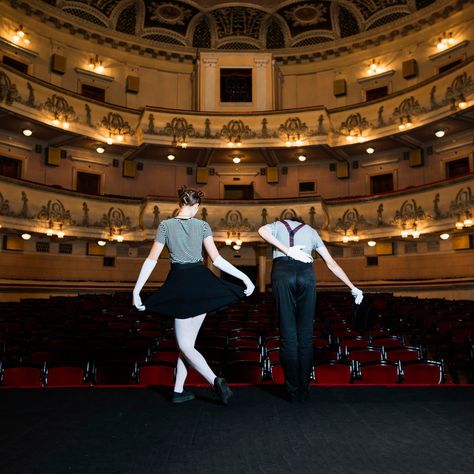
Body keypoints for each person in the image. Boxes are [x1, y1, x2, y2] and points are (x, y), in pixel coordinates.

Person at [133, 187, 255, 404]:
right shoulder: (203, 225)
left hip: (180, 283)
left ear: (180, 203)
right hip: (201, 282)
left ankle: (215, 380)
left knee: (185, 345)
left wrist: (137, 290)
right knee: (187, 344)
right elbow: (217, 260)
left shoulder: (165, 225)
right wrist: (244, 278)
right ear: (196, 206)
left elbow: (151, 260)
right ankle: (179, 391)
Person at [258, 218, 363, 402]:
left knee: (288, 336)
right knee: (305, 336)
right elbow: (331, 264)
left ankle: (291, 391)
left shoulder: (277, 225)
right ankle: (304, 390)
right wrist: (352, 287)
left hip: (283, 271)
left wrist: (287, 250)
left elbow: (261, 231)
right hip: (306, 273)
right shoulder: (312, 231)